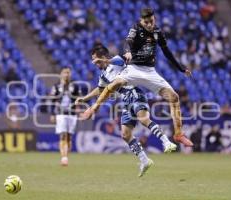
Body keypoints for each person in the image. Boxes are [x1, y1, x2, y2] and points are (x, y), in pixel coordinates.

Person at [81, 8, 193, 147]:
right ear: (141, 21)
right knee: (114, 84)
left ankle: (178, 134)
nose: (149, 25)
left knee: (174, 97)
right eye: (146, 22)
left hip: (150, 71)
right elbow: (128, 41)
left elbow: (167, 52)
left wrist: (181, 68)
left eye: (151, 21)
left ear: (154, 19)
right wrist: (127, 52)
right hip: (134, 69)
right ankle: (94, 108)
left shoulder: (158, 32)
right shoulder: (136, 28)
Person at [76, 45, 177, 177]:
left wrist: (106, 61)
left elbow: (121, 61)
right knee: (125, 134)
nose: (95, 63)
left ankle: (166, 142)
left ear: (104, 57)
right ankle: (145, 160)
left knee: (144, 119)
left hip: (134, 93)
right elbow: (101, 90)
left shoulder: (116, 61)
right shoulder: (103, 76)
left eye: (96, 60)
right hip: (126, 102)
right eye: (93, 60)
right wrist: (85, 98)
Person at [50, 67, 81, 166]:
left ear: (70, 74)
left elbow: (78, 99)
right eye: (64, 72)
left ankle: (66, 156)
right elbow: (52, 101)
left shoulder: (75, 86)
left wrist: (78, 108)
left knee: (69, 137)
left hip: (72, 114)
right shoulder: (56, 86)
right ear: (61, 74)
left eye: (68, 72)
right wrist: (52, 114)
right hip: (61, 114)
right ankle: (63, 157)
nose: (66, 74)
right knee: (63, 135)